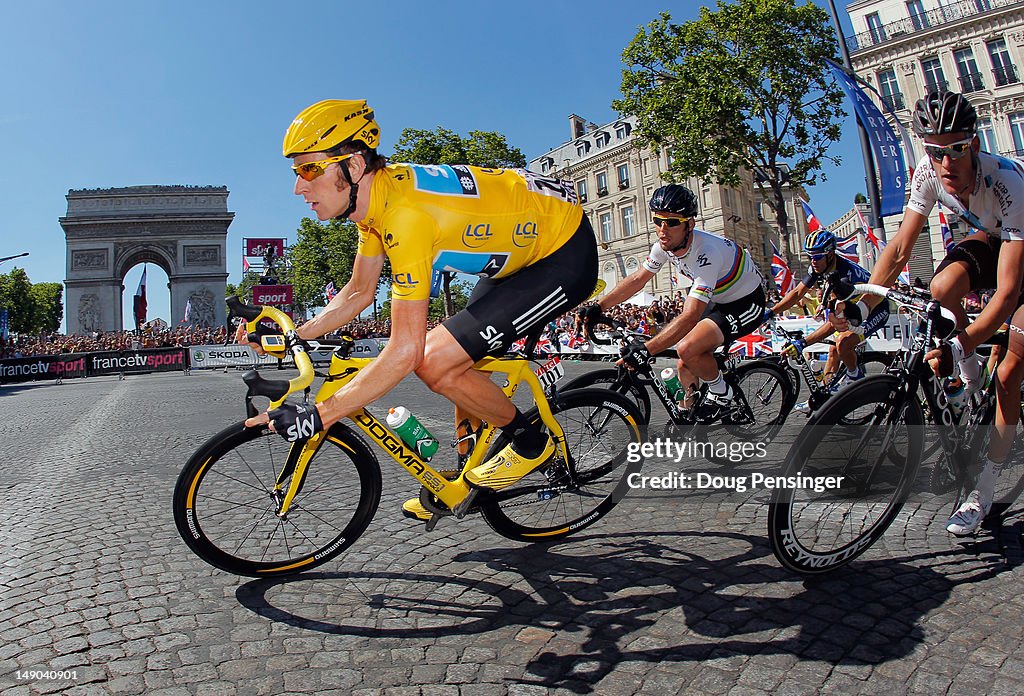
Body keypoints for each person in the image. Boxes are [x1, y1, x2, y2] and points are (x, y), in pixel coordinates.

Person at [240, 99, 598, 521]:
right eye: (296, 171)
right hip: (516, 252)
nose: (298, 187)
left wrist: (320, 414)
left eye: (309, 170)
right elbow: (358, 291)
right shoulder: (373, 204)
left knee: (435, 361)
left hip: (561, 254)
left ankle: (529, 442)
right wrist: (298, 334)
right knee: (460, 358)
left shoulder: (404, 217)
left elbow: (405, 351)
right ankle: (465, 477)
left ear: (353, 167)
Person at [836, 91, 1024, 535]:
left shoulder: (1007, 183)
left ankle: (983, 488)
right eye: (935, 151)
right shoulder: (927, 172)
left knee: (1010, 371)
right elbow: (900, 247)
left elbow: (1010, 288)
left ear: (974, 145)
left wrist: (962, 342)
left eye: (956, 149)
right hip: (993, 238)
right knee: (940, 287)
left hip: (1021, 245)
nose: (946, 164)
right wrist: (867, 303)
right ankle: (969, 380)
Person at [582, 184, 765, 421]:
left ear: (690, 224)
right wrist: (599, 306)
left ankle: (723, 393)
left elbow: (689, 316)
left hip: (746, 302)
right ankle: (689, 417)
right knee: (684, 365)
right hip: (718, 298)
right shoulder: (664, 247)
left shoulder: (706, 252)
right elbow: (638, 279)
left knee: (688, 348)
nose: (662, 229)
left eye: (672, 222)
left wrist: (646, 350)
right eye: (658, 221)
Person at [766, 229, 890, 410]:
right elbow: (797, 293)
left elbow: (836, 323)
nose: (813, 262)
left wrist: (803, 343)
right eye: (810, 257)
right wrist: (771, 312)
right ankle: (825, 397)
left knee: (844, 342)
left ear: (830, 254)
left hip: (875, 308)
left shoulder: (844, 277)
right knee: (833, 353)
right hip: (850, 308)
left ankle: (856, 378)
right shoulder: (820, 267)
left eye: (817, 257)